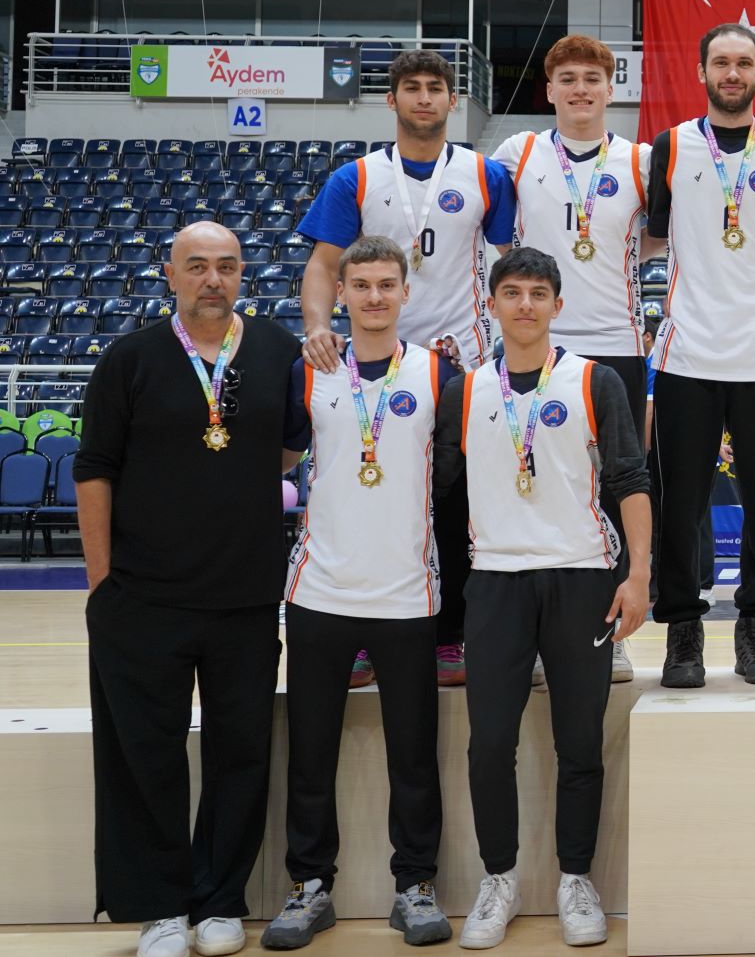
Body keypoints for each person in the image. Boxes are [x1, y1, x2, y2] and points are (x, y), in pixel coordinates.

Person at [78, 222, 307, 957]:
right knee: (144, 756)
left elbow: (288, 447)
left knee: (241, 753)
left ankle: (219, 900)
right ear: (170, 275)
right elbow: (94, 471)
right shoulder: (130, 358)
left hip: (245, 594)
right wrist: (102, 584)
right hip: (143, 597)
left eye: (227, 266)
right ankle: (159, 907)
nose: (213, 279)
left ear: (242, 275)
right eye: (198, 266)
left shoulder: (278, 351)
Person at [438, 247, 651, 951]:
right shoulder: (465, 390)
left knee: (579, 742)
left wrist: (638, 575)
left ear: (559, 305)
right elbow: (435, 491)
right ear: (491, 304)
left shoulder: (594, 380)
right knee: (488, 744)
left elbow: (629, 478)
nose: (525, 304)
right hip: (495, 580)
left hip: (582, 576)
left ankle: (576, 879)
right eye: (512, 292)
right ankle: (498, 879)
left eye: (537, 293)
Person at [296, 48, 515, 689]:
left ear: (453, 100)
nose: (424, 98)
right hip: (374, 364)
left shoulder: (485, 175)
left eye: (435, 88)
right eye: (412, 88)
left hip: (460, 367)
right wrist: (317, 326)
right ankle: (365, 636)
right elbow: (323, 264)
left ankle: (450, 638)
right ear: (391, 100)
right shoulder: (357, 178)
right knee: (372, 497)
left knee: (457, 502)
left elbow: (510, 262)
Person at [261, 236, 454, 950]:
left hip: (407, 593)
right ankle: (310, 887)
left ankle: (416, 885)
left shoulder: (439, 372)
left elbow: (458, 476)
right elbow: (278, 461)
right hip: (319, 590)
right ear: (339, 294)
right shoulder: (309, 372)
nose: (375, 296)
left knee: (414, 755)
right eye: (361, 285)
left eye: (386, 284)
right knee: (310, 753)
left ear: (406, 291)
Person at [647, 23, 755, 688]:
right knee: (680, 503)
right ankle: (682, 630)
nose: (732, 72)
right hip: (687, 351)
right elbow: (651, 235)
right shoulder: (671, 146)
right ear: (702, 72)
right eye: (721, 62)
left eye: (744, 62)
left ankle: (754, 624)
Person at [492, 34, 654, 686]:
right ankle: (537, 633)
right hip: (538, 342)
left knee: (615, 490)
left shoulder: (641, 159)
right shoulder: (517, 153)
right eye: (568, 79)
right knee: (538, 482)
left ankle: (609, 632)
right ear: (550, 89)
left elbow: (656, 238)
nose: (581, 89)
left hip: (617, 341)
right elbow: (494, 236)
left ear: (611, 88)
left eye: (592, 78)